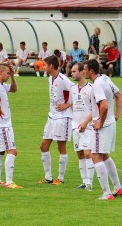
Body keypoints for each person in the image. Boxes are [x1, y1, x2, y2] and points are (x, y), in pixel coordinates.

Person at [84, 59, 122, 200]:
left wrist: (100, 123)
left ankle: (106, 193)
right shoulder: (106, 78)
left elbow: (105, 105)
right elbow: (119, 95)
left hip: (102, 126)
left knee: (96, 157)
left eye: (85, 69)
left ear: (91, 71)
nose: (84, 72)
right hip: (111, 123)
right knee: (105, 155)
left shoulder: (96, 85)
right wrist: (116, 115)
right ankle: (118, 188)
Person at [38, 55, 73, 185]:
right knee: (43, 146)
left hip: (63, 117)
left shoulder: (64, 79)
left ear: (51, 66)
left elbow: (76, 91)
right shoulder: (49, 78)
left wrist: (67, 104)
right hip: (52, 116)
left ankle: (61, 178)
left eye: (45, 65)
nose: (43, 67)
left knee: (61, 146)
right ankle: (48, 177)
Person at [70, 63, 94, 191]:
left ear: (82, 72)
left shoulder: (91, 88)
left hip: (88, 127)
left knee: (87, 153)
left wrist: (85, 122)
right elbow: (73, 104)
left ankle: (90, 183)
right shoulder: (73, 88)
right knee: (79, 154)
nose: (71, 74)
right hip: (75, 127)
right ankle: (84, 181)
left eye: (74, 71)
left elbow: (96, 109)